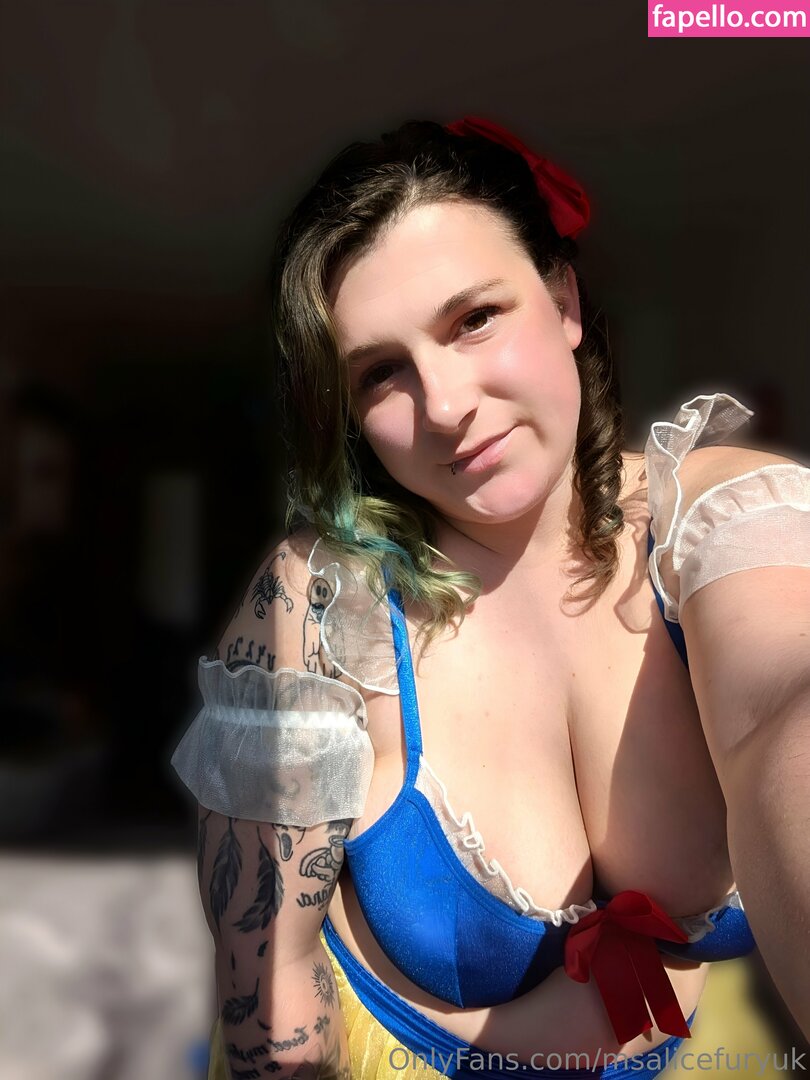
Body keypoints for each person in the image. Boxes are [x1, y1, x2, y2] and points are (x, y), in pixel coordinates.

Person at [171, 117, 810, 1079]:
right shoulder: (320, 604)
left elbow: (782, 710)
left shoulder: (726, 515)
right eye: (380, 372)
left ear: (563, 301)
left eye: (474, 319)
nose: (445, 405)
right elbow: (271, 990)